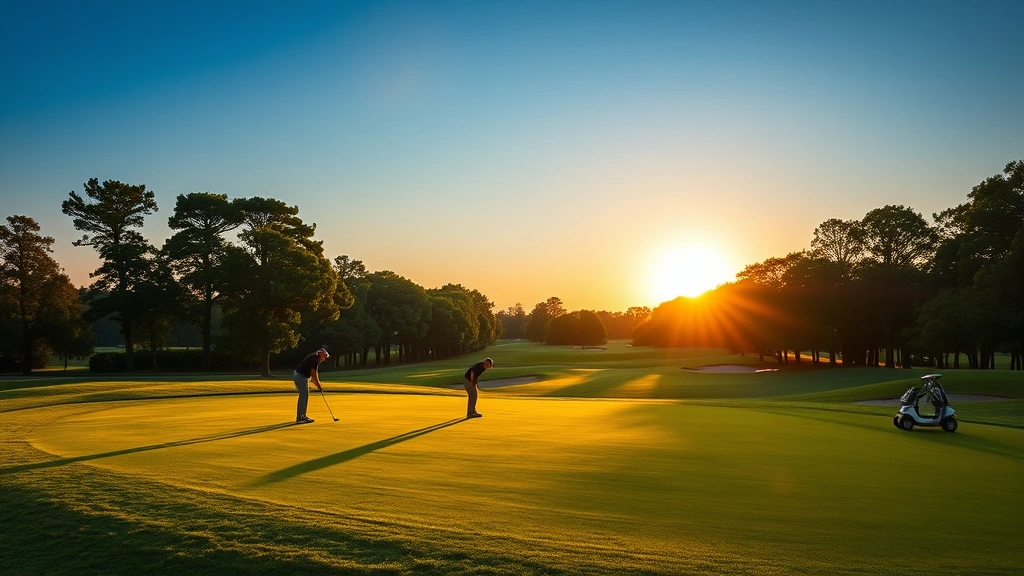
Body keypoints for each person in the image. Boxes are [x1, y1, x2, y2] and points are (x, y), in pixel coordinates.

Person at [293, 347, 329, 424]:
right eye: (325, 356)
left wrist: (318, 384)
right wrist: (318, 385)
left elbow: (312, 378)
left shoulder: (315, 357)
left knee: (305, 395)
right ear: (321, 354)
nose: (325, 359)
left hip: (302, 377)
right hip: (300, 376)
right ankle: (300, 417)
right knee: (303, 396)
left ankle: (303, 416)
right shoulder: (315, 358)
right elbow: (314, 374)